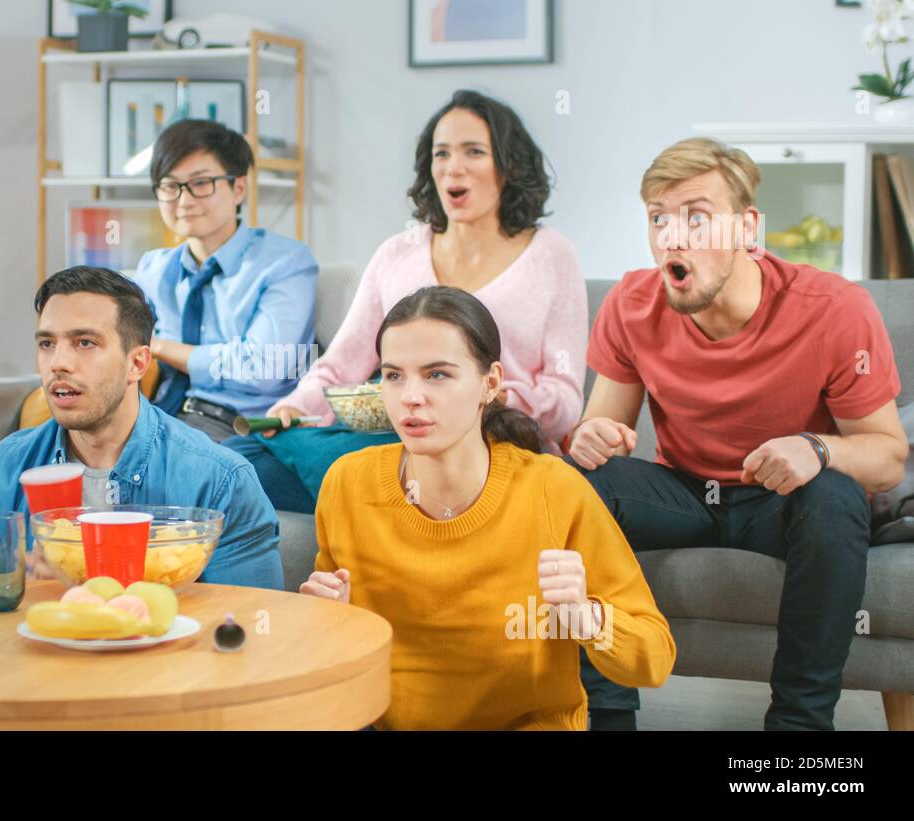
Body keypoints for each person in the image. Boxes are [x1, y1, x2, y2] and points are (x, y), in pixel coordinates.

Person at [566, 137, 907, 731]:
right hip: (684, 495)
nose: (674, 235)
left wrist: (817, 448)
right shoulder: (631, 304)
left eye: (697, 216)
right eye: (659, 218)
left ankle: (797, 732)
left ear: (748, 227)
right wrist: (591, 436)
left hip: (781, 503)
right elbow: (605, 428)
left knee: (837, 496)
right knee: (573, 485)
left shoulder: (833, 309)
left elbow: (887, 458)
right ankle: (604, 716)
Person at [301, 286, 674, 730]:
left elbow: (653, 660)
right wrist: (332, 620)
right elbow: (341, 655)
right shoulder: (347, 482)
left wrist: (587, 618)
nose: (410, 397)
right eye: (394, 376)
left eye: (437, 374)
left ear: (490, 383)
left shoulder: (554, 489)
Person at [224, 90, 585, 513]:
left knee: (385, 463)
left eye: (474, 152)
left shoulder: (550, 254)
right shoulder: (399, 252)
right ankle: (379, 500)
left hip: (491, 439)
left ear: (510, 167)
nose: (454, 168)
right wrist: (295, 408)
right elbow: (342, 365)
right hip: (394, 432)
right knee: (236, 458)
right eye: (442, 153)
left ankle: (379, 495)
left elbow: (564, 398)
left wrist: (502, 397)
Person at [0, 265, 282, 589]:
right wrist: (24, 591)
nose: (58, 363)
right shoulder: (2, 469)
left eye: (84, 343)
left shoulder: (220, 481)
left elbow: (247, 625)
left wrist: (92, 587)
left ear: (137, 363)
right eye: (47, 344)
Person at [134, 118, 318, 442]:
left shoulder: (284, 262)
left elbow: (265, 369)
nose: (184, 200)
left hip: (240, 426)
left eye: (201, 183)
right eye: (169, 185)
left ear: (238, 188)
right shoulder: (154, 269)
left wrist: (161, 347)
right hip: (157, 413)